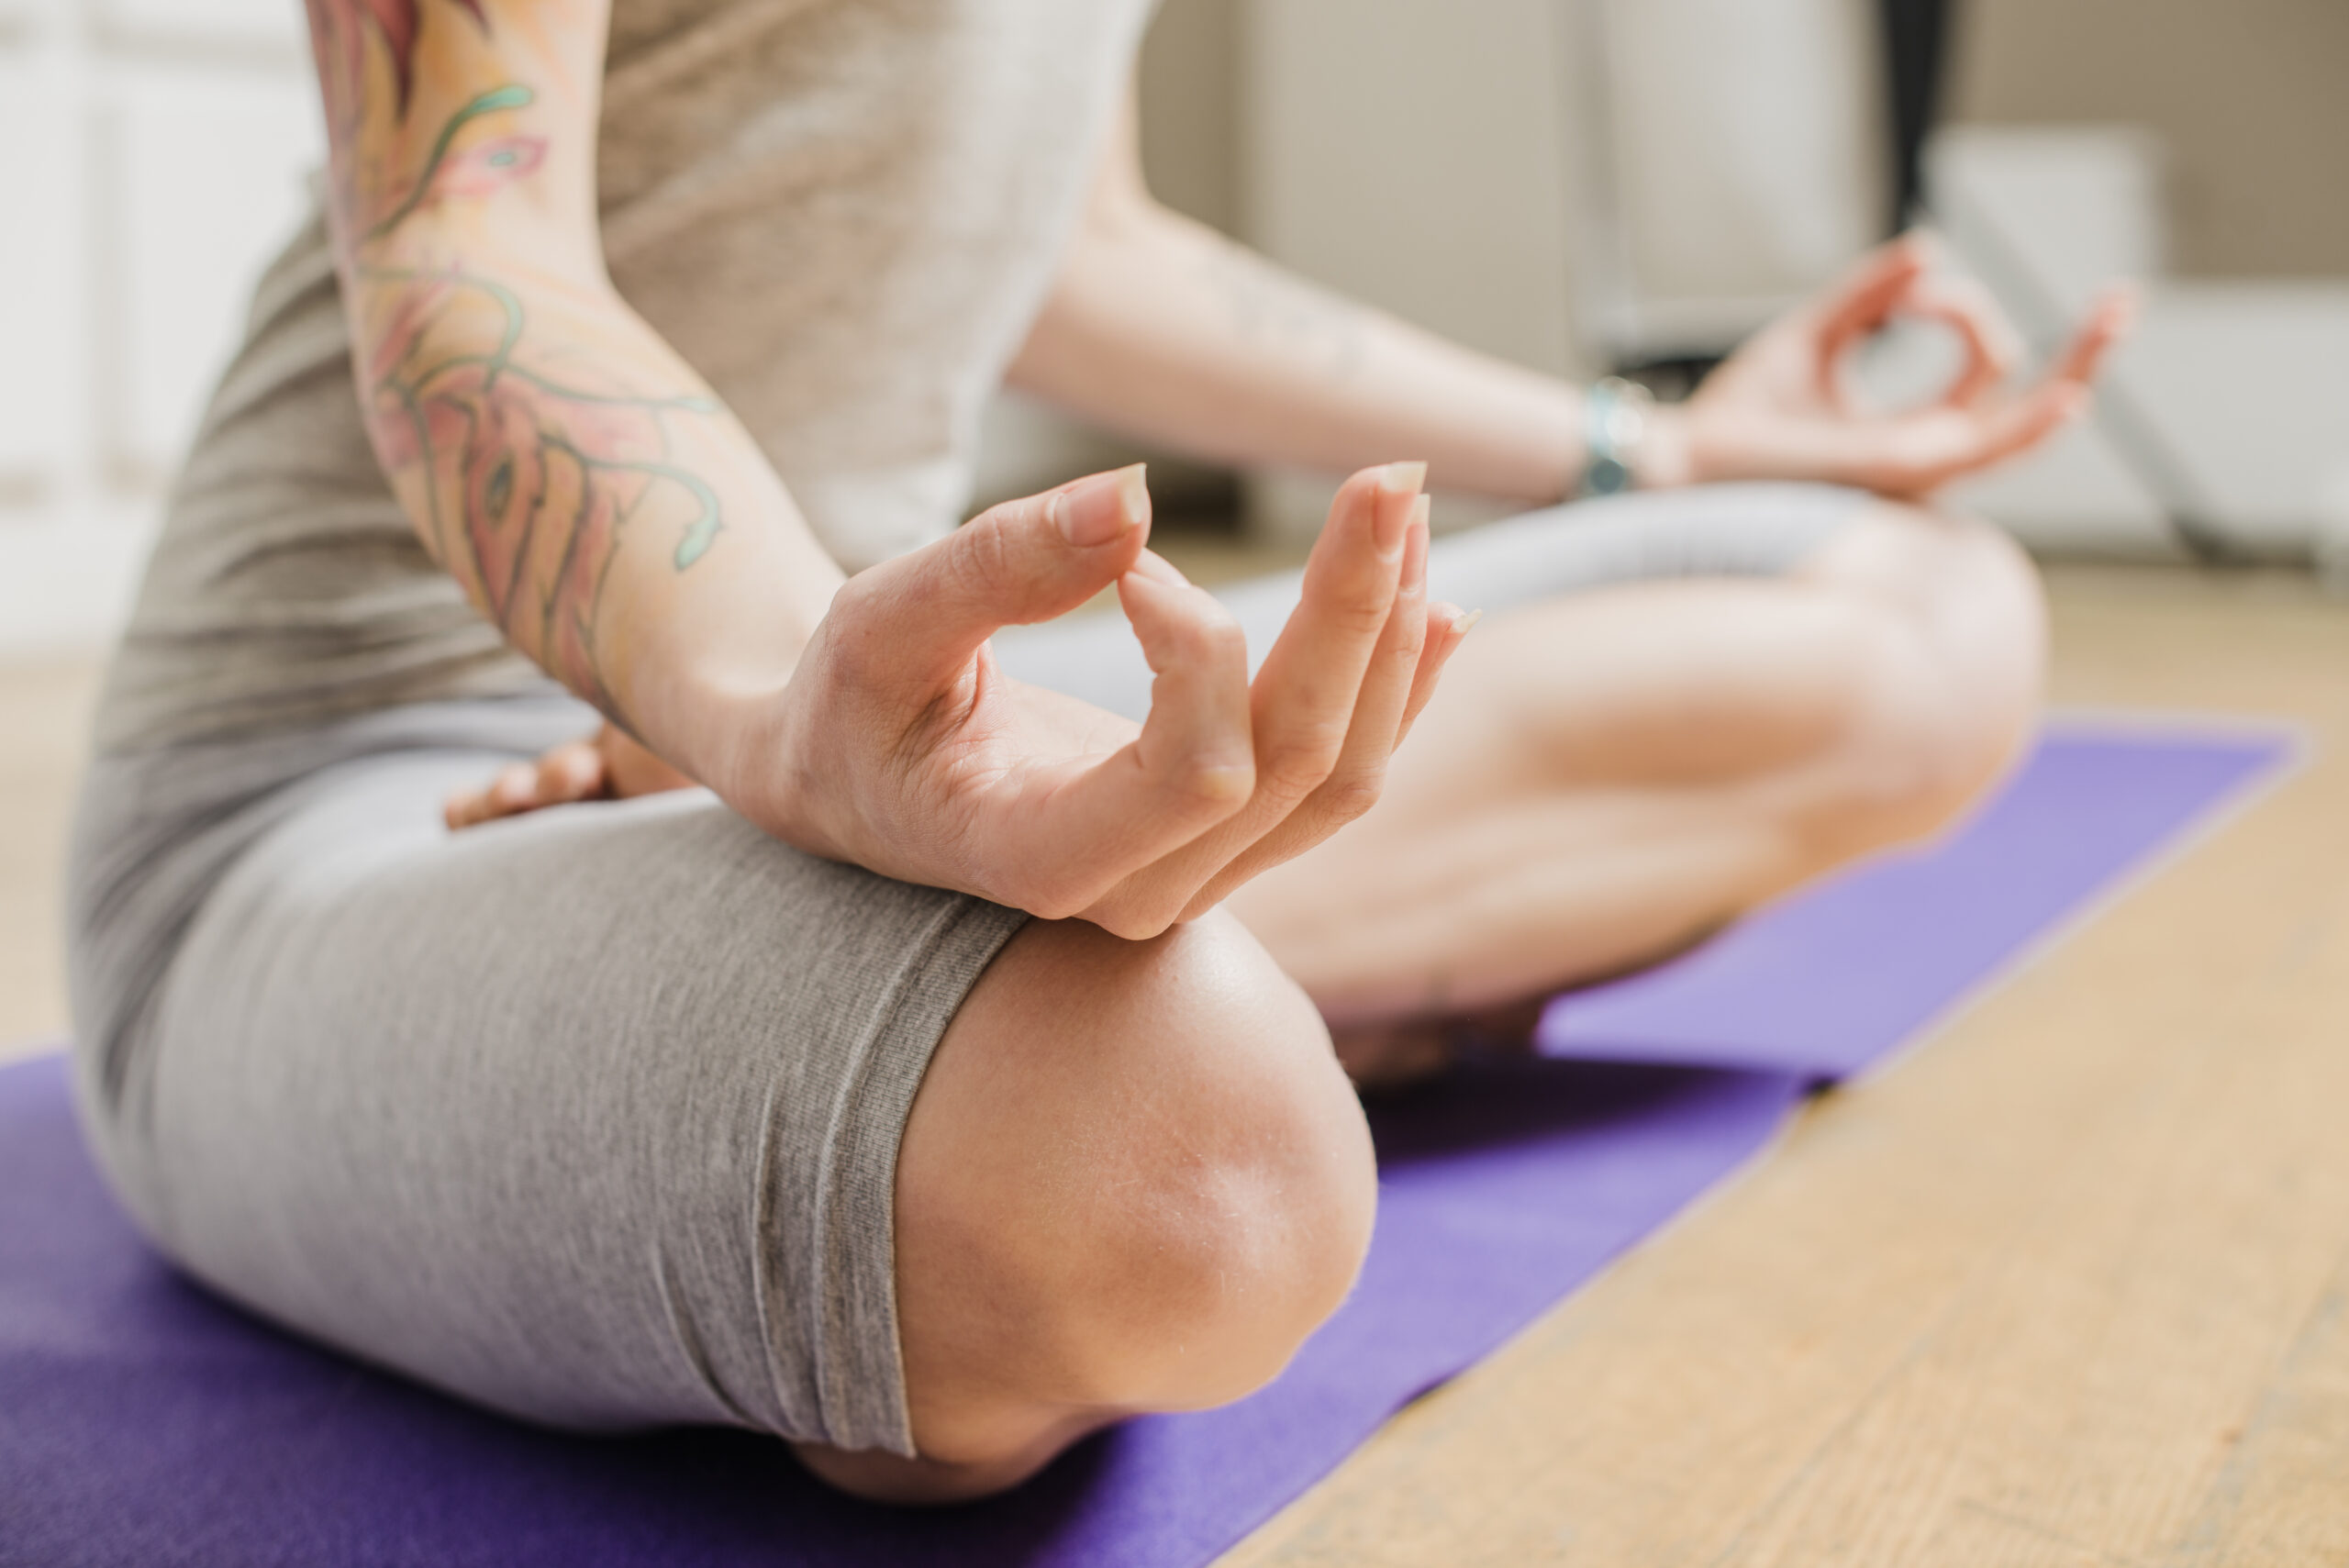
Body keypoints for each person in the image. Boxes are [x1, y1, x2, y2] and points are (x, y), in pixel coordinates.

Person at [66, 0, 2126, 1507]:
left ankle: (960, 935)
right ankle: (1046, 987)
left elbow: (1081, 253)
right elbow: (466, 239)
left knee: (1921, 629)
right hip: (349, 809)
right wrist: (770, 702)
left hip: (846, 708)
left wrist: (1644, 443)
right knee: (1187, 1175)